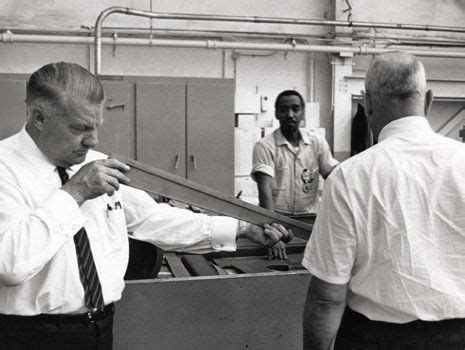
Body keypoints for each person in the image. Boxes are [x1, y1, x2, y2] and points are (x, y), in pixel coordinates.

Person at [0, 62, 291, 350]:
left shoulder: (91, 163)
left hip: (99, 327)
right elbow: (10, 264)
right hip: (30, 335)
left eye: (97, 126)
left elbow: (151, 219)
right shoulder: (5, 169)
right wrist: (74, 193)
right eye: (80, 128)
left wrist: (241, 229)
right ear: (39, 117)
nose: (93, 140)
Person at [302, 51, 465, 349]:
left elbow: (327, 297)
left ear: (368, 105)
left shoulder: (350, 177)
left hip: (376, 339)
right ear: (428, 100)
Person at [251, 90, 338, 260]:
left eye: (295, 109)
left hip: (310, 221)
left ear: (302, 113)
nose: (290, 114)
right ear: (277, 113)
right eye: (284, 109)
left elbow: (333, 176)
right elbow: (264, 188)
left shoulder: (316, 142)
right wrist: (273, 232)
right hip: (277, 219)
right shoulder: (264, 146)